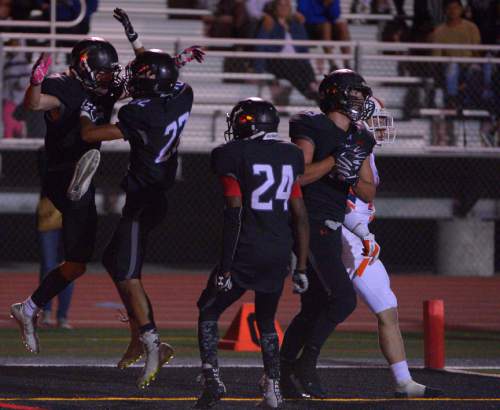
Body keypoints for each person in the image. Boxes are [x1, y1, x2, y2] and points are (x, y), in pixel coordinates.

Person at [79, 49, 198, 389]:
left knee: (129, 274)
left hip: (144, 199)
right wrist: (174, 61)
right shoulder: (182, 95)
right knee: (113, 261)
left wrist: (88, 112)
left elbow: (91, 136)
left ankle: (152, 344)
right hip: (156, 194)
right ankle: (138, 334)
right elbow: (163, 76)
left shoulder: (138, 113)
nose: (131, 80)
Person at [10, 37, 124, 355]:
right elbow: (35, 104)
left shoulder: (105, 88)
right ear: (85, 67)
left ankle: (29, 308)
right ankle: (77, 181)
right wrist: (34, 82)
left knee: (76, 264)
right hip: (60, 173)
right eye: (102, 72)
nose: (108, 77)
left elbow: (141, 87)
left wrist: (170, 67)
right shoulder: (62, 86)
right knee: (74, 181)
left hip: (81, 182)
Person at [195, 97, 310, 409]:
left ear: (246, 124)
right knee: (267, 320)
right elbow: (299, 214)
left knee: (208, 309)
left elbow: (234, 214)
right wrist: (300, 266)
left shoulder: (230, 155)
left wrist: (225, 266)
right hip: (279, 250)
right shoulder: (291, 155)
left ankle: (212, 378)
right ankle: (273, 387)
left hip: (245, 249)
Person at [279, 69, 377, 398]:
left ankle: (281, 371)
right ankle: (306, 365)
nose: (362, 101)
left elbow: (367, 192)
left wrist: (349, 174)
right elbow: (298, 177)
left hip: (332, 223)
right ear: (336, 94)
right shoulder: (311, 125)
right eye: (356, 94)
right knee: (344, 298)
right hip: (307, 220)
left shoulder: (362, 136)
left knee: (315, 305)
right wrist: (334, 161)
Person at [341, 97, 442, 397]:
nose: (383, 125)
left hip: (353, 233)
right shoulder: (352, 150)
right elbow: (340, 202)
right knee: (382, 306)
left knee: (326, 309)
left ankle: (403, 380)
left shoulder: (362, 151)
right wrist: (363, 234)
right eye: (377, 118)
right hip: (349, 237)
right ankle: (402, 381)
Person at [37, 147, 75, 329]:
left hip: (72, 212)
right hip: (50, 210)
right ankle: (46, 312)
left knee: (70, 265)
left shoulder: (82, 151)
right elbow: (47, 175)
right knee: (49, 265)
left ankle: (62, 316)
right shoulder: (45, 151)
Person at [255, 0, 319, 105]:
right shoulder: (270, 22)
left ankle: (312, 86)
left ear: (290, 8)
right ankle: (307, 91)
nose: (283, 8)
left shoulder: (296, 23)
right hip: (276, 61)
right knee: (290, 64)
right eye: (280, 5)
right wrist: (259, 69)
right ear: (275, 8)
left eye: (286, 5)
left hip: (296, 61)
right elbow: (260, 45)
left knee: (303, 64)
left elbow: (304, 47)